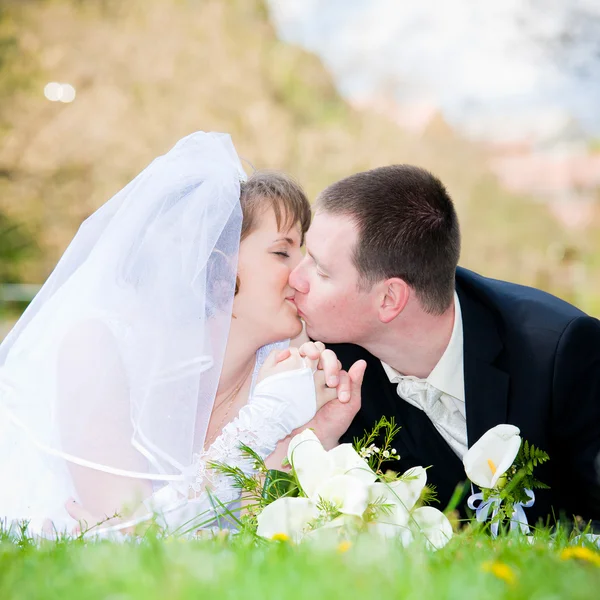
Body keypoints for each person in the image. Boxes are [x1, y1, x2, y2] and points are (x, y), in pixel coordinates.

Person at [0, 132, 354, 538]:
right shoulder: (98, 349)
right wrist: (265, 419)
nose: (302, 274)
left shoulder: (281, 370)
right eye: (282, 252)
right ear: (219, 269)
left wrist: (320, 433)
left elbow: (262, 538)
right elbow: (130, 536)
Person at [288, 164, 600, 527]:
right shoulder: (330, 360)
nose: (296, 278)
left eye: (321, 271)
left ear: (390, 298)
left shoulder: (559, 352)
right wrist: (320, 440)